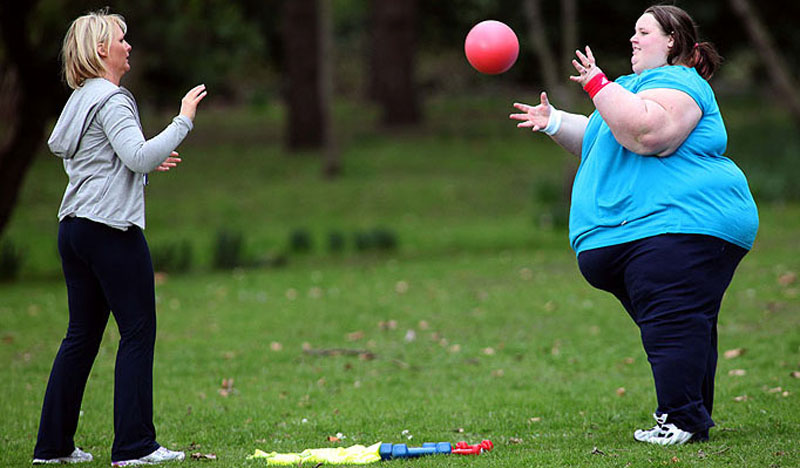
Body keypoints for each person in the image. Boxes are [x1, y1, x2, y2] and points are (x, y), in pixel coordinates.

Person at [510, 5, 758, 445]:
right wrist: (555, 123)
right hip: (642, 232)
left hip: (679, 226)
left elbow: (648, 133)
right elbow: (604, 139)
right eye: (633, 32)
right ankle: (690, 416)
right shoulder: (630, 88)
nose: (633, 39)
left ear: (672, 41)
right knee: (682, 324)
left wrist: (596, 84)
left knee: (674, 323)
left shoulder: (681, 83)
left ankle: (680, 420)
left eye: (645, 32)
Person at [33, 9, 206, 465]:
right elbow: (138, 156)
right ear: (101, 50)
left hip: (73, 229)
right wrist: (183, 120)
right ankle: (134, 446)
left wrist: (146, 161)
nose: (129, 46)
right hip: (111, 231)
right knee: (137, 331)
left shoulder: (80, 99)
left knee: (81, 336)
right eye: (121, 40)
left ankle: (52, 448)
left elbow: (110, 161)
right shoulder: (113, 98)